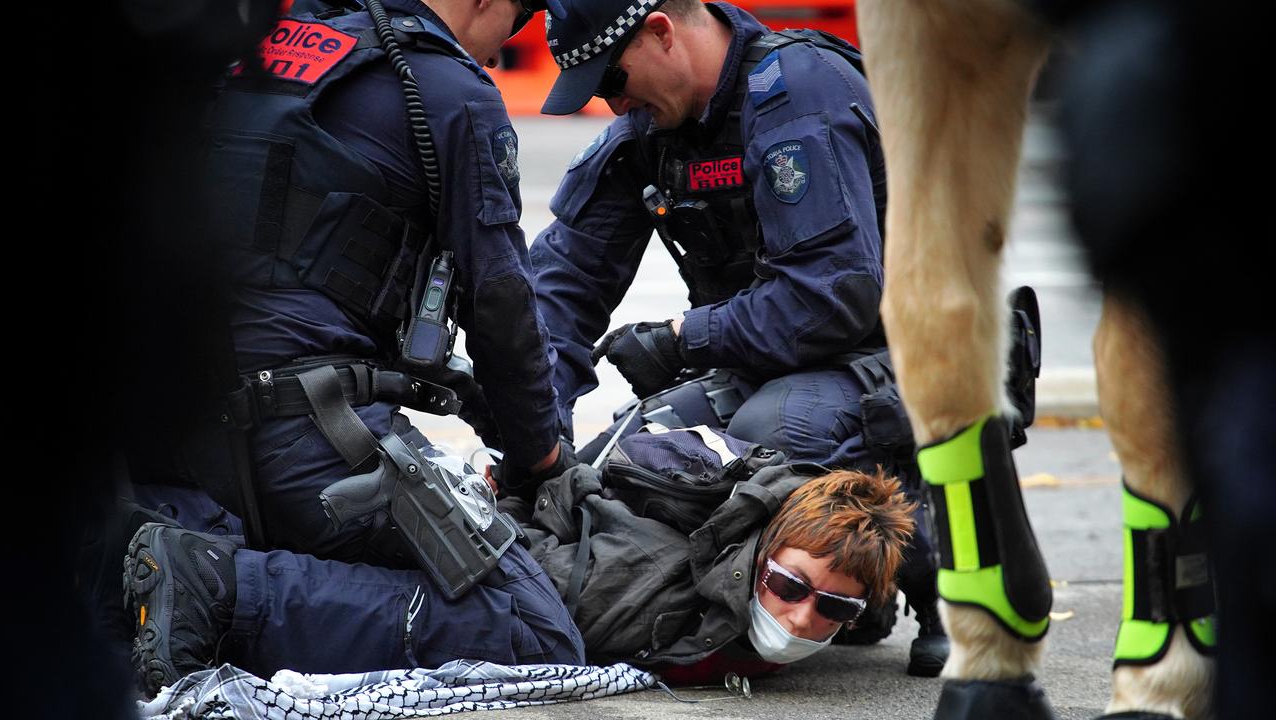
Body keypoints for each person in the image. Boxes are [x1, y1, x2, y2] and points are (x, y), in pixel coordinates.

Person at [120, 0, 587, 695]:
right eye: (513, 24)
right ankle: (220, 588)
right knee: (532, 625)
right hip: (307, 439)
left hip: (166, 427)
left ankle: (138, 576)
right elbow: (499, 307)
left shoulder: (244, 47)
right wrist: (541, 456)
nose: (497, 51)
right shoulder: (447, 89)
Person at [528, 0, 946, 674]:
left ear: (661, 33)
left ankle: (924, 558)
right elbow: (562, 283)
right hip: (757, 361)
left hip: (886, 361)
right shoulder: (654, 126)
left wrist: (681, 337)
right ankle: (720, 603)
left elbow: (831, 295)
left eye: (613, 80)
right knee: (623, 468)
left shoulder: (796, 91)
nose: (612, 104)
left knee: (767, 438)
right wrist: (537, 443)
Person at [506, 460, 916, 682]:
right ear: (760, 557)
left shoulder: (860, 597)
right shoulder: (648, 587)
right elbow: (513, 572)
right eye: (790, 586)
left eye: (836, 607)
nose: (803, 618)